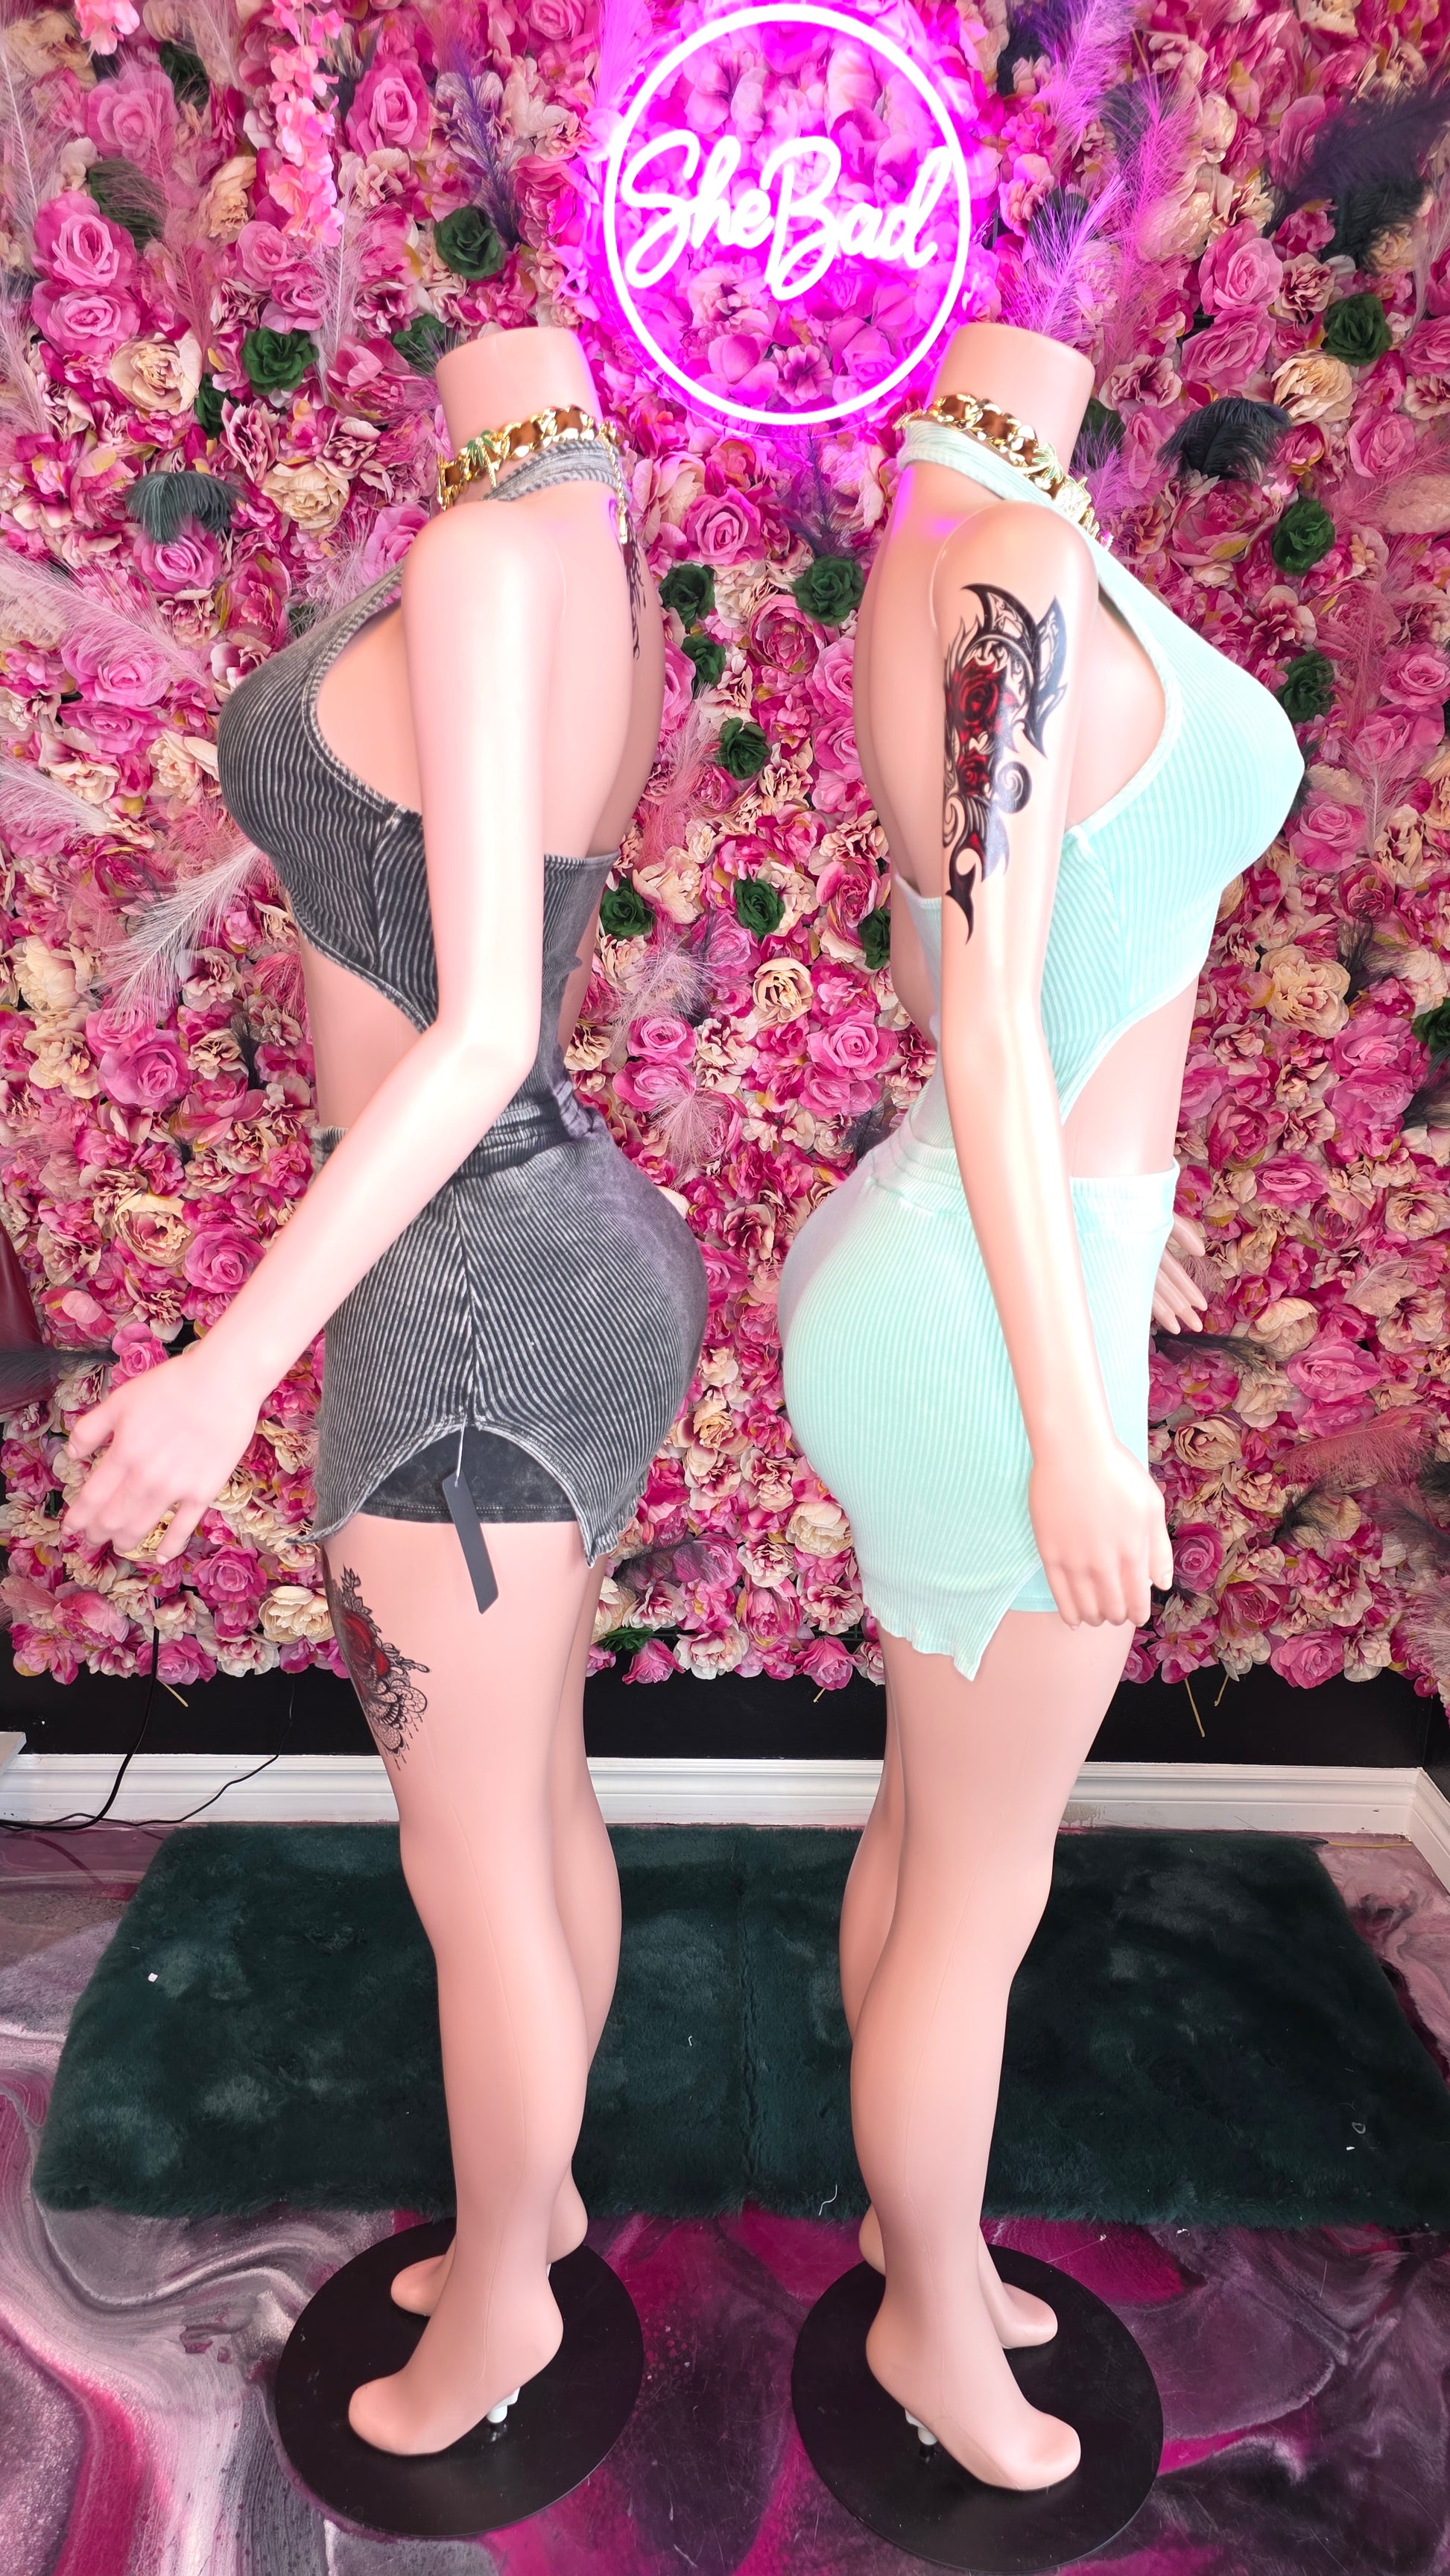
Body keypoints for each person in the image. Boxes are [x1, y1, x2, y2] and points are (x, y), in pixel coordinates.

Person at [62, 323, 707, 2457]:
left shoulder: (486, 556)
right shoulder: (591, 552)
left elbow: (480, 1030)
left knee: (473, 1866)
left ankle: (509, 2294)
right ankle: (545, 2209)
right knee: (531, 1806)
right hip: (558, 1248)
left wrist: (225, 1369)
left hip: (468, 1296)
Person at [778, 318, 1303, 2490]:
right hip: (1002, 1316)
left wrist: (1123, 1226)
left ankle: (915, 2246)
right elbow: (984, 1025)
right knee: (977, 1892)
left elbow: (964, 971)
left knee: (933, 1830)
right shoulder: (1009, 559)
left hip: (977, 1257)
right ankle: (925, 2320)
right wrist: (1078, 1419)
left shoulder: (947, 545)